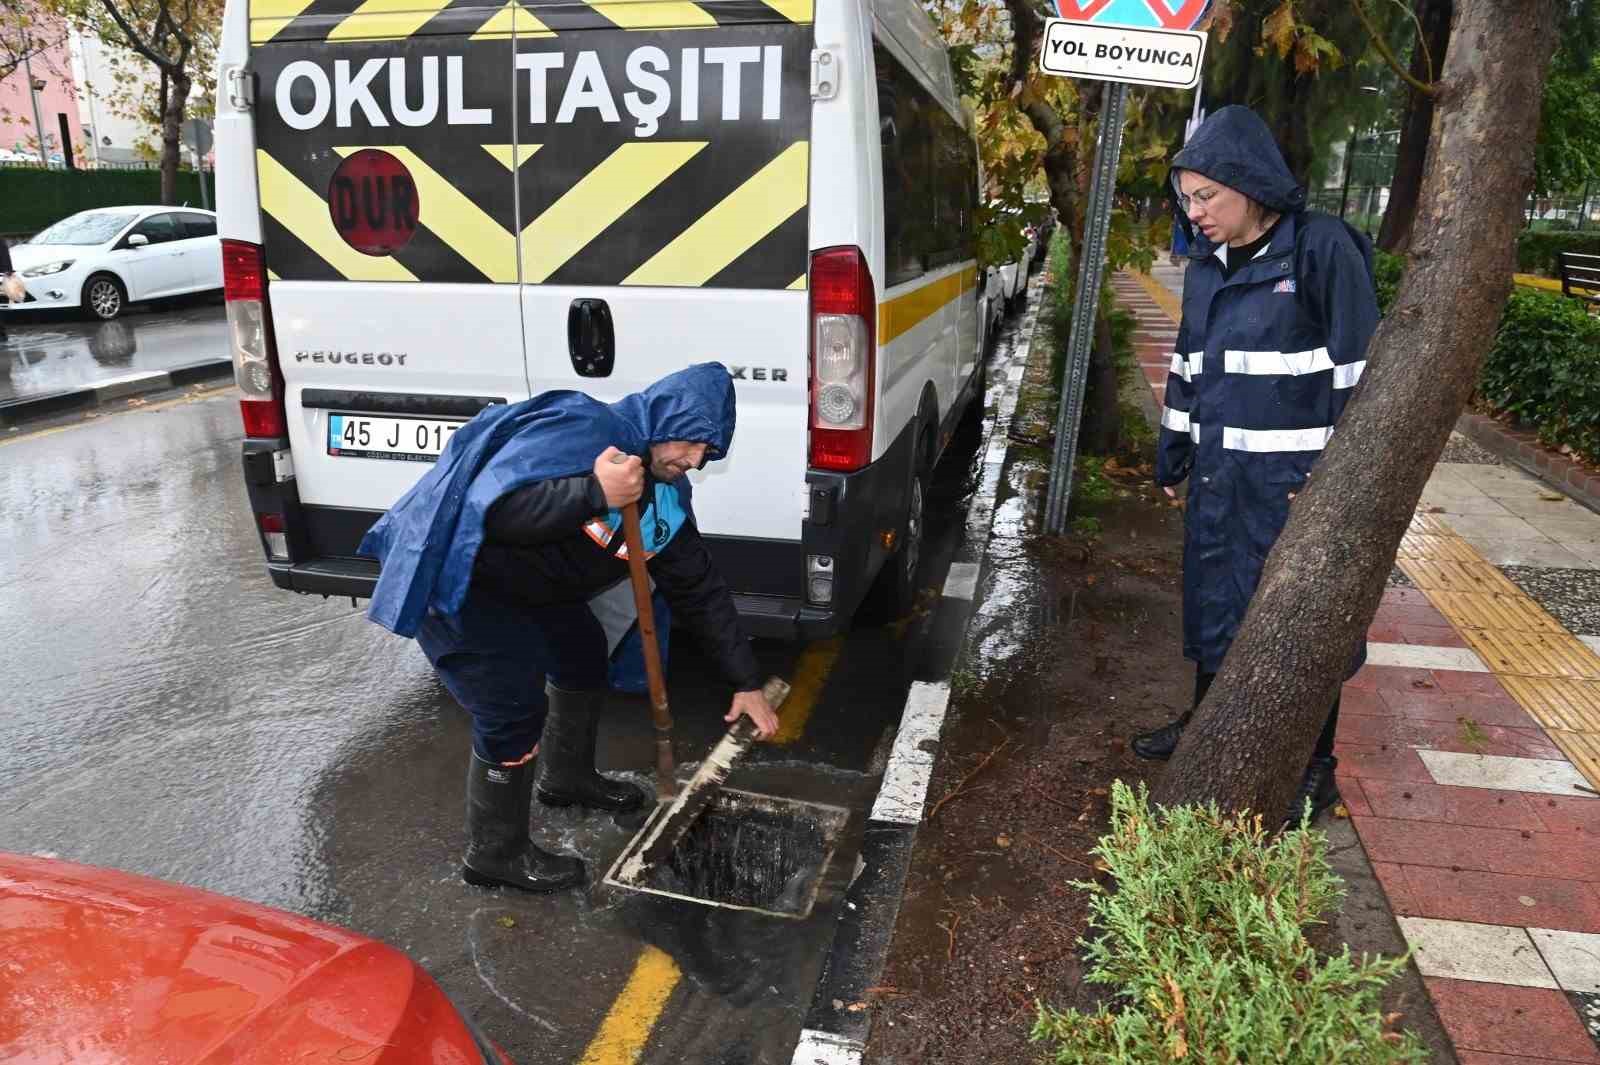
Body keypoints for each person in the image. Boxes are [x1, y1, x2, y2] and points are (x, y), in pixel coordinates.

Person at [359, 363, 780, 894]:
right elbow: (496, 510)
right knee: (511, 709)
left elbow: (699, 586)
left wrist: (745, 681)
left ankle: (566, 778)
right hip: (464, 578)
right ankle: (495, 854)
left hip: (531, 584)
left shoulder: (664, 494)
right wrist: (593, 490)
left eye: (707, 453)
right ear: (666, 419)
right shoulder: (585, 431)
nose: (695, 460)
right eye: (693, 443)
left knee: (581, 651)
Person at [1132, 106, 1379, 827]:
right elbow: (1189, 367)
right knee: (1214, 600)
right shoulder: (1208, 270)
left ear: (1248, 183)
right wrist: (1174, 452)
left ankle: (1315, 767)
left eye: (1206, 195)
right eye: (1187, 199)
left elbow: (1360, 378)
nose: (1195, 211)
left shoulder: (1322, 250)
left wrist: (1331, 489)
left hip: (1289, 488)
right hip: (1219, 476)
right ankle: (1207, 724)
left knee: (1298, 625)